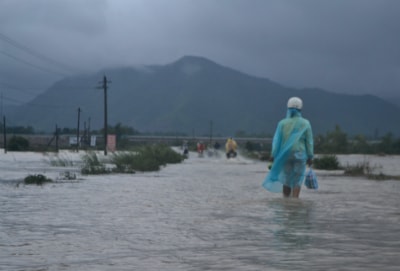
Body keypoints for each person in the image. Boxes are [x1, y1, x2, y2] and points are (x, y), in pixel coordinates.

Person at [262, 97, 314, 198]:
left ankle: (286, 202)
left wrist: (273, 155)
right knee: (297, 179)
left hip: (285, 155)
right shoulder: (306, 123)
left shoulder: (282, 123)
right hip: (300, 154)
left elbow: (277, 141)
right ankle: (294, 203)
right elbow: (309, 142)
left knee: (286, 179)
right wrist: (310, 156)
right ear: (301, 109)